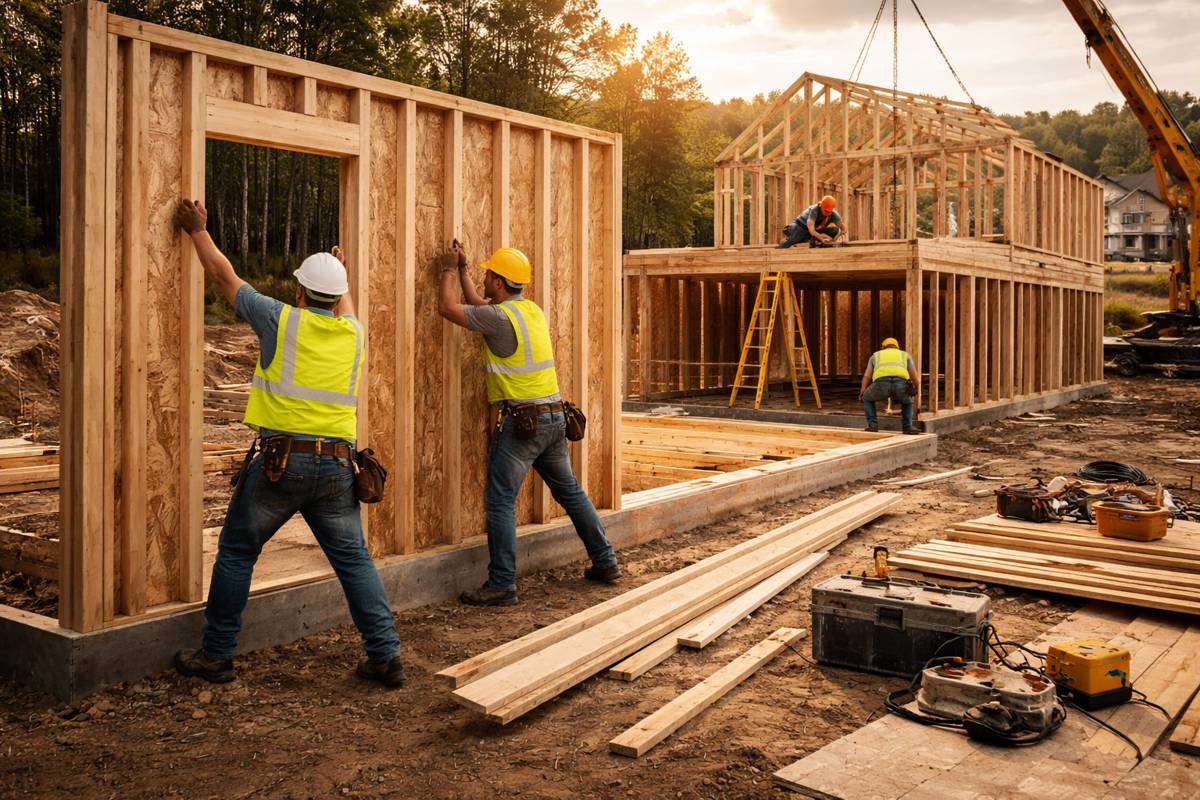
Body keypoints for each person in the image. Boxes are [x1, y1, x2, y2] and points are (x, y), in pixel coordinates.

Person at [172, 198, 403, 687]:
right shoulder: (355, 334)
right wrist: (340, 274)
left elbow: (224, 277)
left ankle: (217, 655)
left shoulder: (281, 320)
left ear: (298, 289)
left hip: (281, 465)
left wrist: (197, 231)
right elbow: (348, 307)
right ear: (338, 299)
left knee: (236, 552)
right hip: (339, 469)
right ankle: (384, 654)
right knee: (355, 561)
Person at [436, 242, 620, 606]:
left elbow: (448, 308)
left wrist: (445, 268)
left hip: (524, 424)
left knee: (500, 500)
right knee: (571, 493)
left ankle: (502, 583)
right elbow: (477, 302)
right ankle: (605, 560)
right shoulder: (528, 311)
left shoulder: (499, 317)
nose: (485, 279)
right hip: (553, 417)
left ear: (501, 283)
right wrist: (464, 271)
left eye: (489, 275)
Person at [859, 337, 921, 435]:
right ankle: (907, 427)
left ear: (883, 347)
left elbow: (867, 376)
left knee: (867, 397)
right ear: (897, 347)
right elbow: (914, 376)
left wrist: (862, 391)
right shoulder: (904, 355)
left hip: (881, 385)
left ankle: (873, 425)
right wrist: (917, 389)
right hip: (901, 384)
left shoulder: (876, 355)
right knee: (908, 401)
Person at [777, 195, 846, 248]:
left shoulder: (834, 214)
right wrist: (822, 238)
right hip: (800, 227)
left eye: (829, 211)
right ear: (820, 206)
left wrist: (836, 238)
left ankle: (815, 243)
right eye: (825, 211)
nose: (827, 213)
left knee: (834, 230)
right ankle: (780, 248)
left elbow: (843, 228)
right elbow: (812, 230)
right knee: (793, 240)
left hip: (814, 231)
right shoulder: (814, 210)